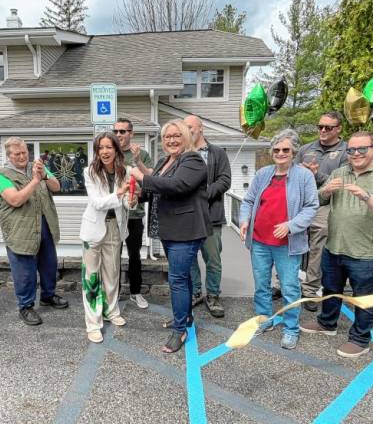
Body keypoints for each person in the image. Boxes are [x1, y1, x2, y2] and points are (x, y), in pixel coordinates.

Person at [300, 131, 373, 358]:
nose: (356, 154)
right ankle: (327, 323)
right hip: (335, 245)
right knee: (331, 290)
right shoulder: (340, 172)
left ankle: (360, 338)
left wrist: (367, 196)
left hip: (367, 251)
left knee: (364, 297)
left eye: (362, 149)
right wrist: (326, 190)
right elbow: (318, 200)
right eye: (351, 150)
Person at [130, 119, 210, 353]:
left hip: (186, 230)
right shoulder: (166, 160)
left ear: (186, 136)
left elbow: (177, 186)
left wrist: (142, 177)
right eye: (167, 137)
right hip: (169, 229)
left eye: (177, 135)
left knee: (176, 280)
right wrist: (139, 195)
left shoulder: (192, 159)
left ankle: (179, 331)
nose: (172, 140)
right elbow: (157, 187)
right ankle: (185, 318)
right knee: (182, 278)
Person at [239, 129, 318, 349]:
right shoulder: (264, 173)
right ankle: (264, 320)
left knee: (290, 287)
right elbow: (248, 200)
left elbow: (312, 207)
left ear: (294, 152)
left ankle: (291, 329)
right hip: (259, 241)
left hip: (287, 245)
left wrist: (291, 226)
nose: (281, 153)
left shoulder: (304, 176)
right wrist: (244, 220)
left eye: (286, 149)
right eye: (276, 149)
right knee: (261, 284)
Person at [0, 137, 69, 326]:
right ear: (9, 156)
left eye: (24, 153)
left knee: (49, 265)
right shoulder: (2, 176)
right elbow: (15, 200)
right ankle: (25, 306)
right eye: (17, 154)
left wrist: (44, 175)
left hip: (45, 225)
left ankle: (48, 296)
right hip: (20, 230)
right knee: (24, 271)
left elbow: (57, 187)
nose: (22, 157)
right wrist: (35, 181)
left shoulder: (37, 168)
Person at [80, 132, 136, 343]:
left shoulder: (126, 170)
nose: (104, 151)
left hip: (115, 228)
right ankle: (93, 323)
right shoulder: (90, 172)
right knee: (91, 278)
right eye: (100, 148)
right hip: (93, 230)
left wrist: (131, 200)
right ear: (96, 151)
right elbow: (97, 203)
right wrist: (120, 194)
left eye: (108, 147)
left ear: (116, 150)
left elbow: (127, 204)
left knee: (112, 274)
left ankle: (111, 311)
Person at [294, 111, 348, 312]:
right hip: (300, 205)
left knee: (317, 247)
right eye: (320, 127)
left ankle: (309, 290)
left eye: (328, 127)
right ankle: (284, 283)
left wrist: (316, 174)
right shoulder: (306, 149)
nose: (323, 131)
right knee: (292, 242)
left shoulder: (346, 151)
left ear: (338, 129)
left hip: (326, 206)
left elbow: (341, 182)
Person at [185, 115, 231, 318]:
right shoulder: (183, 154)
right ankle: (195, 293)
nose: (187, 131)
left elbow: (225, 180)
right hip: (187, 217)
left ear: (200, 128)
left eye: (190, 127)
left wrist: (205, 195)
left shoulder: (217, 153)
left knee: (213, 259)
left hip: (211, 217)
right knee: (190, 259)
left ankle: (213, 295)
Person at [114, 118, 153, 309]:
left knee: (134, 255)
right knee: (113, 255)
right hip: (113, 214)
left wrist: (137, 163)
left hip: (135, 215)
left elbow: (150, 179)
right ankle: (113, 293)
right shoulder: (109, 152)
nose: (119, 135)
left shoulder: (142, 154)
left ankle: (135, 293)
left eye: (123, 131)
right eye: (116, 131)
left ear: (131, 133)